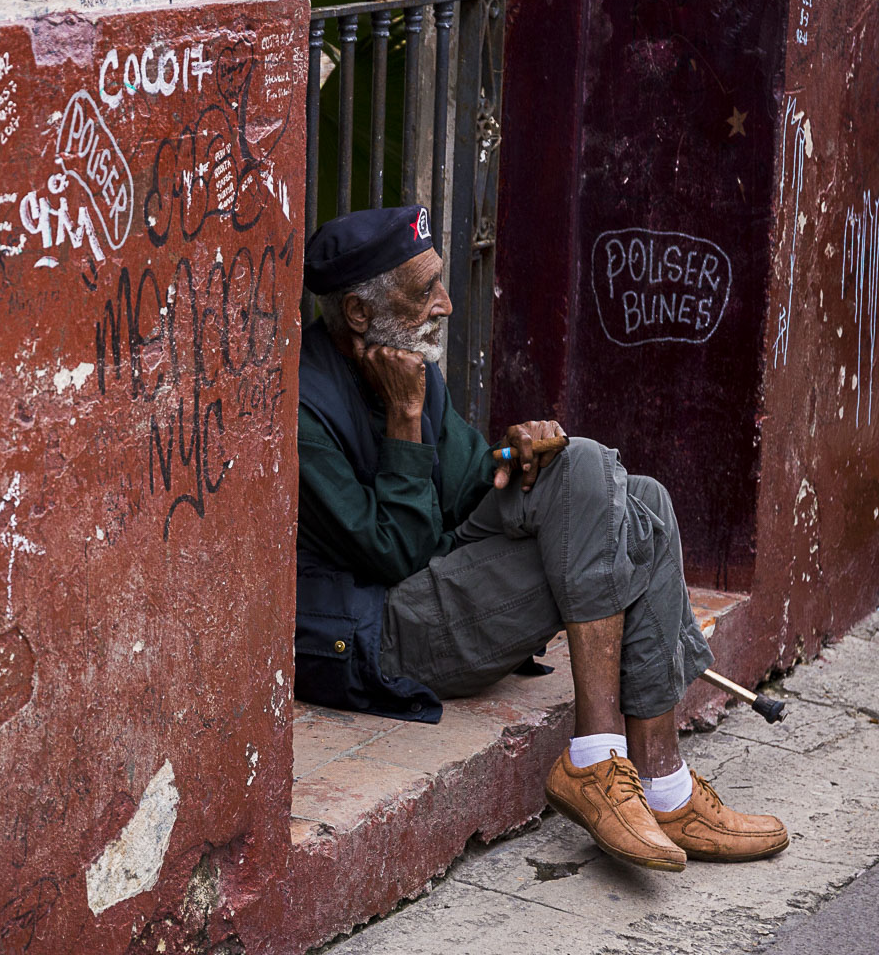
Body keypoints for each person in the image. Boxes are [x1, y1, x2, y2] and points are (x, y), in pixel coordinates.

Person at [294, 205, 788, 871]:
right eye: (424, 290)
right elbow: (396, 556)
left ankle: (661, 783)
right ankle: (598, 758)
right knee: (618, 514)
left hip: (437, 583)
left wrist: (517, 451)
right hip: (378, 631)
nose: (444, 304)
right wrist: (405, 421)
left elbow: (471, 486)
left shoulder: (407, 365)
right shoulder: (303, 409)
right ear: (358, 313)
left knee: (629, 493)